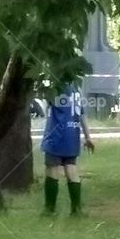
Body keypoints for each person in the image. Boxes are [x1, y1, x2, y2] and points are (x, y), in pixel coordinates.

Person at [41, 84, 94, 216]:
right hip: (72, 135)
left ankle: (49, 209)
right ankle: (76, 209)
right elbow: (82, 114)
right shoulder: (76, 88)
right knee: (71, 168)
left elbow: (45, 102)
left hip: (56, 135)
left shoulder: (56, 87)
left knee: (52, 168)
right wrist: (88, 136)